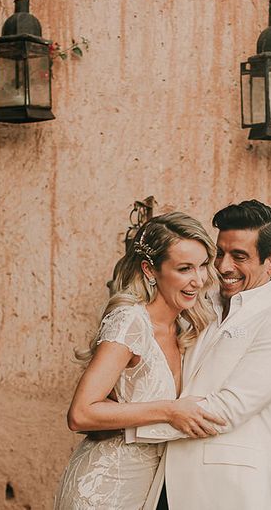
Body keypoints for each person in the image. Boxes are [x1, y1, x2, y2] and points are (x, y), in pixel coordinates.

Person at [131, 200, 271, 510]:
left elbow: (226, 410)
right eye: (220, 253)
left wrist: (124, 424)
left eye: (239, 256)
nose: (223, 267)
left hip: (227, 492)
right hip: (161, 484)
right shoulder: (199, 303)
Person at [54, 212, 226, 510]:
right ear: (150, 270)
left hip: (151, 489)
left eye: (202, 266)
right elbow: (81, 413)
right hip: (104, 489)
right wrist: (169, 411)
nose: (197, 280)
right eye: (184, 269)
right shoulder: (130, 322)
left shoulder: (187, 327)